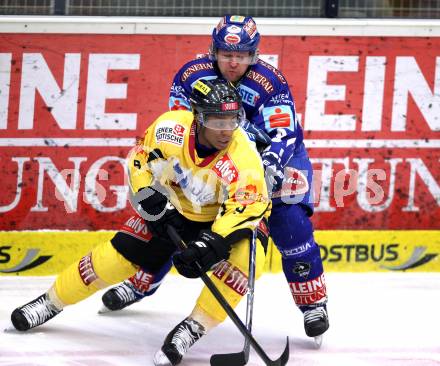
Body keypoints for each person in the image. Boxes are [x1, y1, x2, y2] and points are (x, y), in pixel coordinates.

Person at [9, 79, 272, 365]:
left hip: (228, 218)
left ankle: (192, 327)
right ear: (198, 116)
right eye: (216, 120)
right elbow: (140, 158)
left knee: (245, 261)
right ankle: (51, 301)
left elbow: (246, 208)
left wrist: (210, 242)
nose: (225, 130)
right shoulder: (169, 128)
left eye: (232, 120)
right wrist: (149, 195)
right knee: (117, 256)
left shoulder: (243, 156)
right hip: (177, 208)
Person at [102, 15, 330, 341]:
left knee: (288, 218)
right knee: (176, 209)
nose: (233, 62)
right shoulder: (191, 75)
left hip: (272, 156)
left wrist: (266, 171)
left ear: (254, 55)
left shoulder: (270, 82)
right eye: (226, 54)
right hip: (215, 154)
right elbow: (183, 126)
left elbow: (284, 134)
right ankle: (144, 278)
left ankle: (313, 302)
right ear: (214, 50)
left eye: (241, 55)